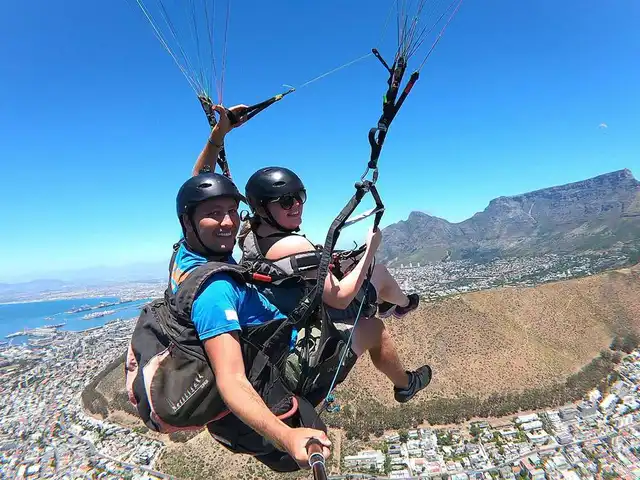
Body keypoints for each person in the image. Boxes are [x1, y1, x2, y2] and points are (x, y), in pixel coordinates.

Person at [192, 105, 432, 404]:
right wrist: (371, 248)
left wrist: (219, 135)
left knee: (372, 275)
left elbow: (200, 184)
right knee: (375, 316)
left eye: (300, 197)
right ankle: (405, 376)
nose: (297, 206)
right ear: (264, 207)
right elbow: (342, 297)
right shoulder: (296, 246)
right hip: (297, 356)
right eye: (286, 201)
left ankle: (397, 305)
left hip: (287, 319)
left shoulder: (245, 233)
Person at [170, 169, 331, 470]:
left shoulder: (188, 253)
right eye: (215, 214)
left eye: (232, 211)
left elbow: (194, 188)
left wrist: (217, 136)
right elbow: (231, 380)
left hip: (263, 350)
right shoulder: (215, 293)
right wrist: (287, 436)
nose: (229, 222)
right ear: (188, 221)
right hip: (277, 371)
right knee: (363, 326)